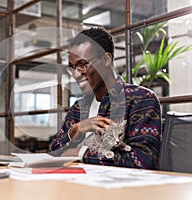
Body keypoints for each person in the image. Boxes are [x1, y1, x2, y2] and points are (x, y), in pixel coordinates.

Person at [49, 27, 162, 169]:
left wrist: (81, 153)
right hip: (74, 185)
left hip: (118, 189)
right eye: (72, 67)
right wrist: (75, 130)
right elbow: (54, 153)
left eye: (83, 65)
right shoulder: (78, 108)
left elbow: (143, 161)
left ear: (106, 59)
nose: (76, 74)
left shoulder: (141, 99)